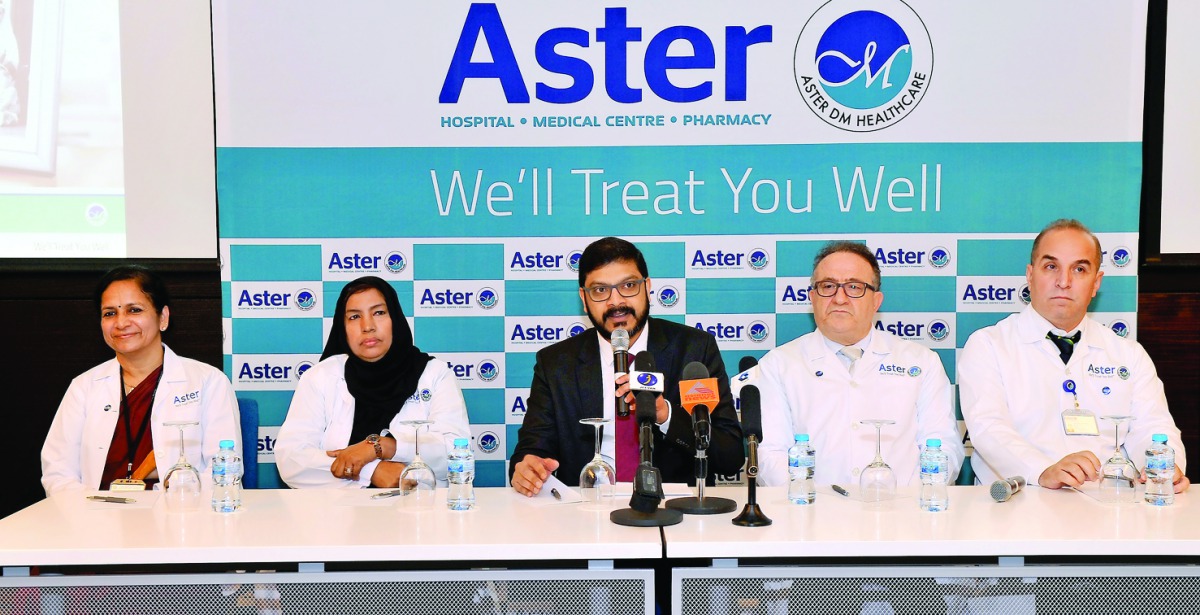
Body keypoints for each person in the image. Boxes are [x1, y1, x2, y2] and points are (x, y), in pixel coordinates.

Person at [959, 219, 1189, 491]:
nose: (1064, 282)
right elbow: (988, 429)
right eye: (1051, 266)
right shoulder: (988, 345)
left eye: (1079, 269)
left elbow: (1153, 426)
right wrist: (1042, 470)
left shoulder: (1128, 354)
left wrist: (1163, 465)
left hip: (1110, 507)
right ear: (1030, 276)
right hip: (1018, 504)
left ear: (1096, 283)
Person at [509, 237, 744, 496]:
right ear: (584, 299)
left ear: (648, 287)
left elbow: (730, 454)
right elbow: (531, 451)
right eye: (600, 290)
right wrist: (527, 469)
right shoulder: (555, 363)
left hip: (674, 509)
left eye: (629, 285)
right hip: (587, 512)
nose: (615, 302)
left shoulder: (695, 350)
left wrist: (665, 414)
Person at [755, 241, 963, 487]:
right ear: (812, 298)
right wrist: (811, 504)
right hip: (811, 517)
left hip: (903, 517)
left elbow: (944, 447)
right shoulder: (778, 365)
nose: (839, 298)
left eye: (854, 287)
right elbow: (770, 455)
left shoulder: (921, 361)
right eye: (828, 286)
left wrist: (903, 505)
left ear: (876, 301)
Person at [41, 265, 240, 494]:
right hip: (98, 519)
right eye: (109, 313)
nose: (121, 323)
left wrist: (169, 502)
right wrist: (92, 515)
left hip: (181, 518)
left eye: (134, 310)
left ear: (162, 317)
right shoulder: (84, 387)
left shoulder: (208, 382)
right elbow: (58, 472)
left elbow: (223, 473)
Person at [275, 276, 469, 489]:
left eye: (378, 313)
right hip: (335, 515)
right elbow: (291, 460)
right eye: (354, 317)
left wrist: (384, 447)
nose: (367, 326)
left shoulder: (435, 374)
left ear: (395, 317)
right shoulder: (320, 377)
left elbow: (458, 459)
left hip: (418, 513)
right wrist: (372, 471)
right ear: (342, 327)